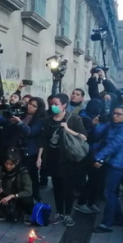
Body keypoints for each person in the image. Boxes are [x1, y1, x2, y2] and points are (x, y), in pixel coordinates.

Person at [37, 93, 88, 227]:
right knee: (57, 187)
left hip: (69, 159)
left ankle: (68, 214)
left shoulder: (74, 119)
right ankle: (59, 212)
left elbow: (84, 137)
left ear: (64, 105)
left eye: (56, 104)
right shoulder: (48, 120)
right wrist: (39, 158)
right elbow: (43, 140)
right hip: (53, 159)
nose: (53, 107)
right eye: (51, 104)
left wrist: (68, 129)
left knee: (68, 189)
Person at [91, 106, 123, 233]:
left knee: (109, 193)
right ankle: (118, 218)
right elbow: (97, 133)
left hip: (116, 164)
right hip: (107, 161)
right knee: (111, 192)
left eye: (119, 114)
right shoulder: (111, 124)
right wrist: (98, 124)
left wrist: (98, 158)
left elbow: (113, 146)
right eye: (114, 113)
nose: (115, 116)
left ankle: (107, 224)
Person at [0, 151, 34, 223]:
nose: (8, 166)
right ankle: (5, 211)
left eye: (11, 164)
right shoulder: (1, 169)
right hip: (5, 194)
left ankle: (26, 212)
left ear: (16, 162)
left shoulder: (23, 172)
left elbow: (28, 191)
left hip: (18, 196)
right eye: (6, 163)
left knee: (27, 200)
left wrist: (12, 196)